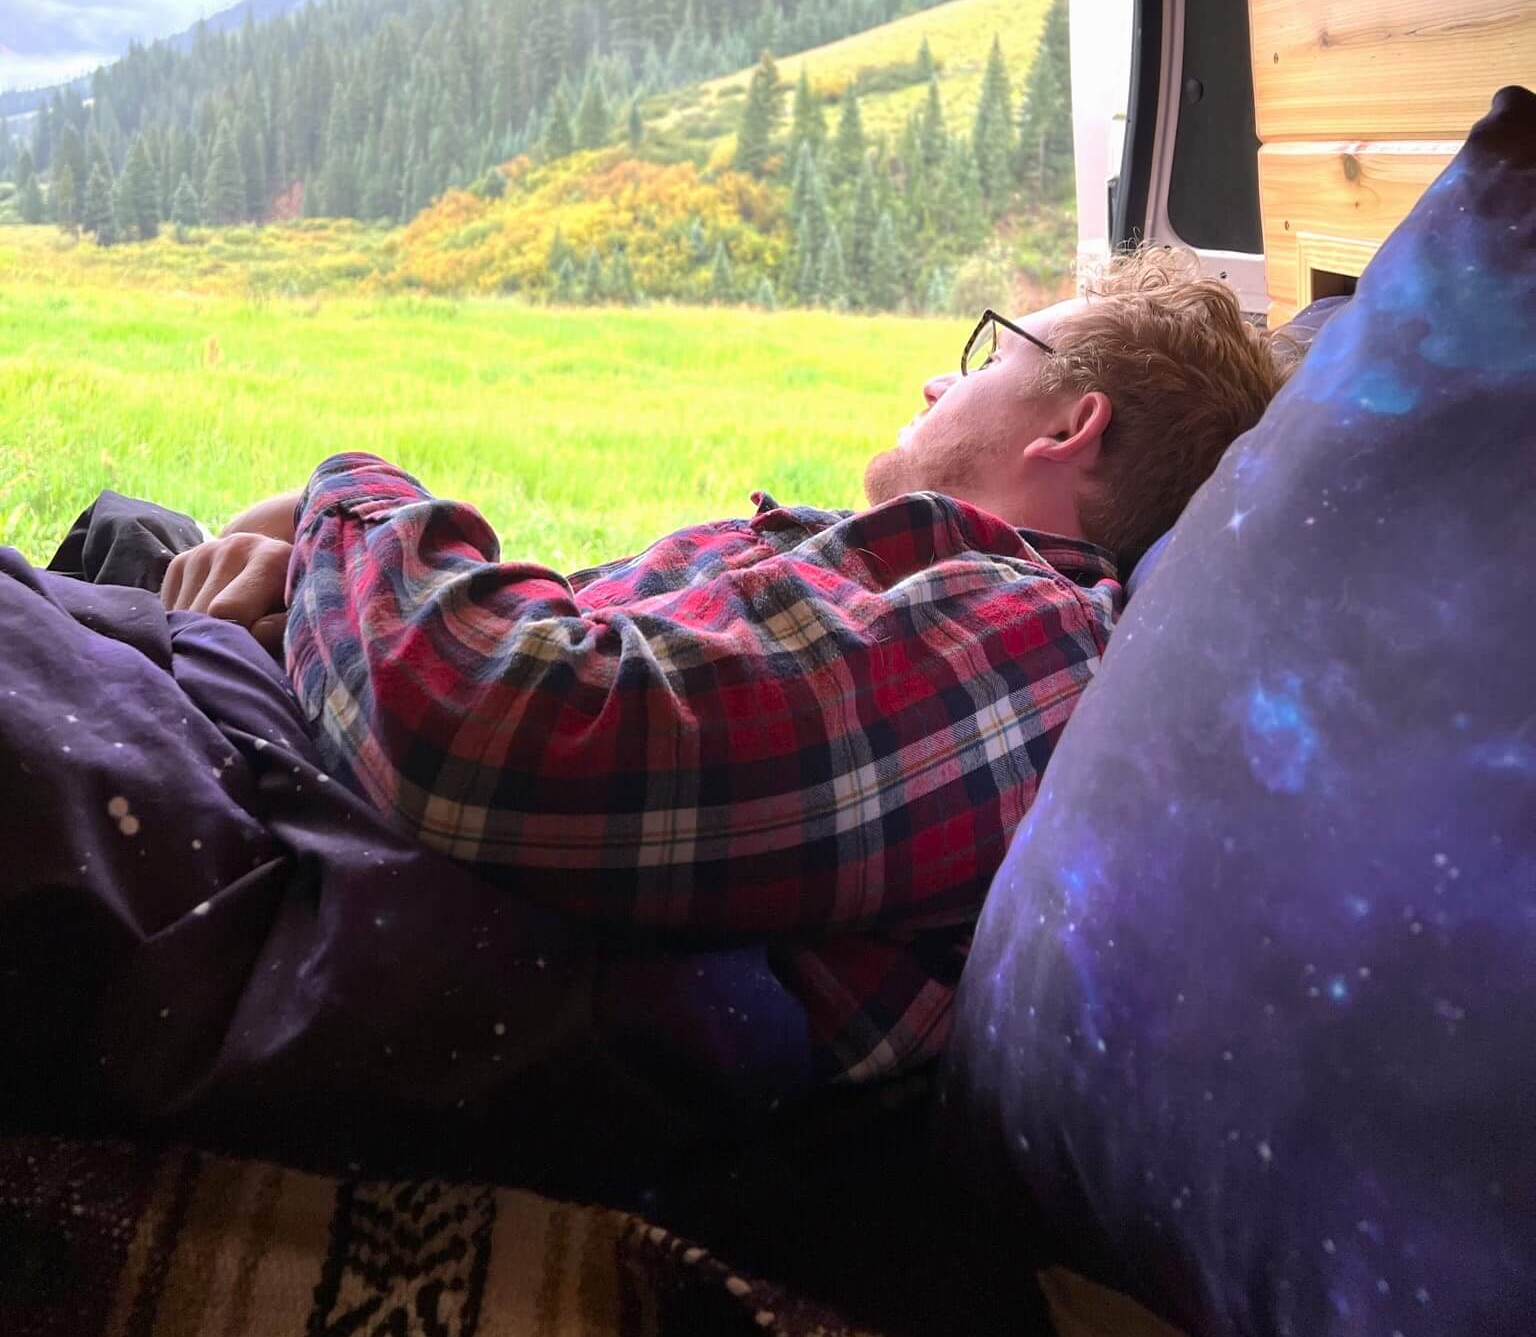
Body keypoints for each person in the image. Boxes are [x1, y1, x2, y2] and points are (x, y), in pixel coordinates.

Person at [158, 247, 1284, 1083]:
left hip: (317, 869)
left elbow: (503, 724)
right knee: (133, 539)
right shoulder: (897, 581)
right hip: (289, 752)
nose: (942, 381)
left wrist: (341, 501)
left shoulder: (1023, 641)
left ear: (1072, 423)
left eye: (989, 347)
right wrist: (298, 584)